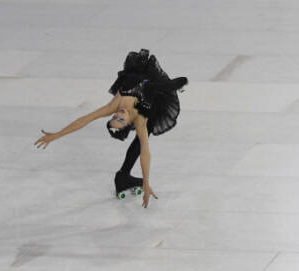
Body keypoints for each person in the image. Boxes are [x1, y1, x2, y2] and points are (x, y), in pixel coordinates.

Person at [34, 49, 186, 208]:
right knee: (145, 133)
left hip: (142, 76)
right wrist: (146, 183)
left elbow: (83, 120)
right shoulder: (140, 120)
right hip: (153, 96)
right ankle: (123, 177)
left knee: (168, 84)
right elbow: (145, 152)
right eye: (121, 120)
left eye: (115, 117)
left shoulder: (113, 106)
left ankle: (123, 176)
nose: (119, 114)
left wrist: (57, 135)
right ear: (128, 123)